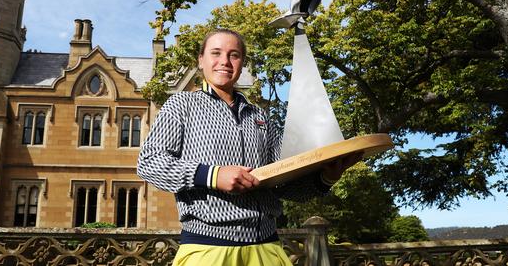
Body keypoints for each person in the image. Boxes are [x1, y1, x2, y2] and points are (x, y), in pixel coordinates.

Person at [137, 28, 358, 266]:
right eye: (216, 53)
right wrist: (213, 175)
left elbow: (282, 184)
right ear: (201, 60)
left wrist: (324, 179)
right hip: (208, 250)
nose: (225, 61)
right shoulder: (181, 104)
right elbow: (149, 162)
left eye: (234, 55)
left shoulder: (259, 116)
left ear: (242, 63)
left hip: (267, 248)